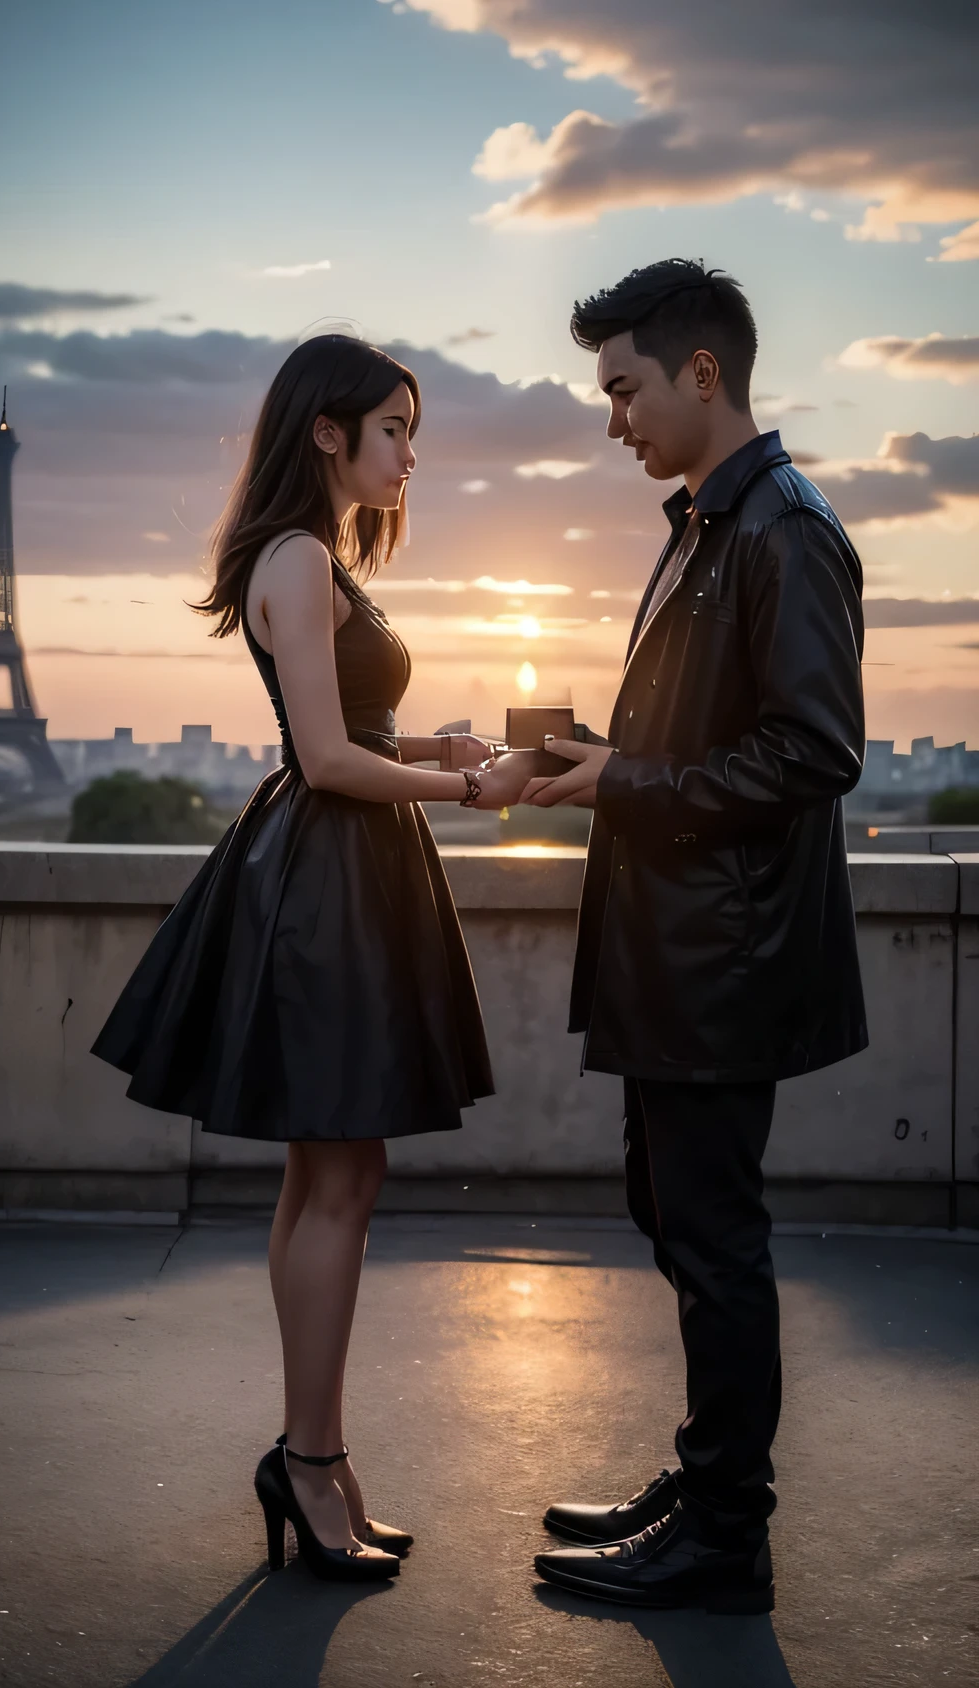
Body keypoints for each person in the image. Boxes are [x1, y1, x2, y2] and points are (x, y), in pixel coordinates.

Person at [92, 334, 525, 1583]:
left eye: (411, 432)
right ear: (325, 431)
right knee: (341, 1175)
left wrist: (432, 737)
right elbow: (329, 759)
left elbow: (347, 732)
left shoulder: (309, 557)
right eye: (391, 428)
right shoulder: (295, 556)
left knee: (326, 1175)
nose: (407, 454)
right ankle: (312, 1458)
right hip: (332, 875)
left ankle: (313, 1457)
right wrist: (463, 783)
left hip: (339, 870)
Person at [518, 260, 867, 1613]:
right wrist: (598, 760)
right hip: (686, 953)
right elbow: (720, 742)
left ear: (701, 373)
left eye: (623, 388)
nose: (614, 418)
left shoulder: (779, 530)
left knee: (714, 1240)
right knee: (675, 1216)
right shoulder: (718, 522)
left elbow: (812, 754)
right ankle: (711, 1481)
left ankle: (729, 1533)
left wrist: (621, 781)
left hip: (722, 962)